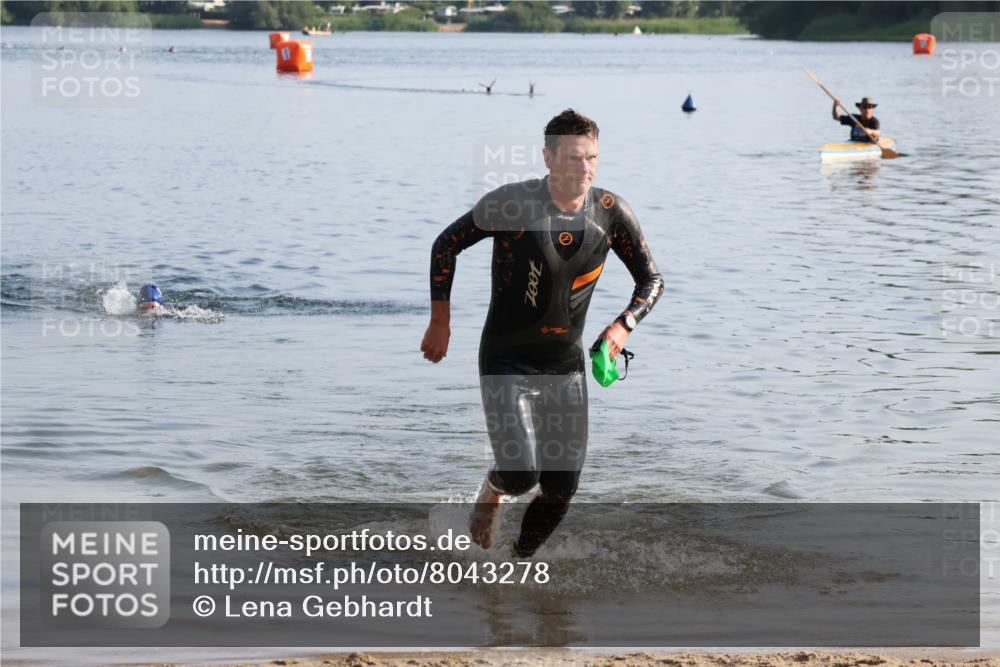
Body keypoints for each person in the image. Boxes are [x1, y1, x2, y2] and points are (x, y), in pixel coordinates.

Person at [421, 109, 664, 557]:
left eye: (591, 157)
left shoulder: (610, 214)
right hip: (506, 357)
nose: (584, 167)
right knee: (520, 473)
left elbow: (652, 281)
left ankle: (517, 568)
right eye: (573, 158)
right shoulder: (513, 204)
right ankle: (491, 493)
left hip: (565, 364)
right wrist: (441, 320)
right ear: (548, 158)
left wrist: (623, 325)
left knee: (561, 489)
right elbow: (447, 244)